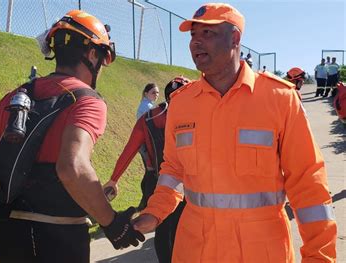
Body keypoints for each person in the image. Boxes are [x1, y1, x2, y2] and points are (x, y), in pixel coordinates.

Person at [133, 3, 337, 262]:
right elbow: (173, 170)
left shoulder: (279, 99)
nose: (196, 42)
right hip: (195, 250)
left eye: (207, 34)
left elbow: (308, 184)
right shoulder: (182, 103)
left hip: (260, 252)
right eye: (193, 35)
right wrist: (155, 211)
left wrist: (319, 256)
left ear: (236, 38)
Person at [0, 10, 143, 262]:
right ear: (92, 55)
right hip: (60, 236)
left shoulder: (17, 96)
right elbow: (72, 168)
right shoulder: (88, 101)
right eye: (102, 59)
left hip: (7, 234)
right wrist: (112, 223)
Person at [103, 76, 190, 263]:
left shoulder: (148, 118)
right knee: (181, 229)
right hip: (185, 183)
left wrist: (114, 179)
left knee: (162, 230)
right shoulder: (194, 119)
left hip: (155, 180)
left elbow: (129, 151)